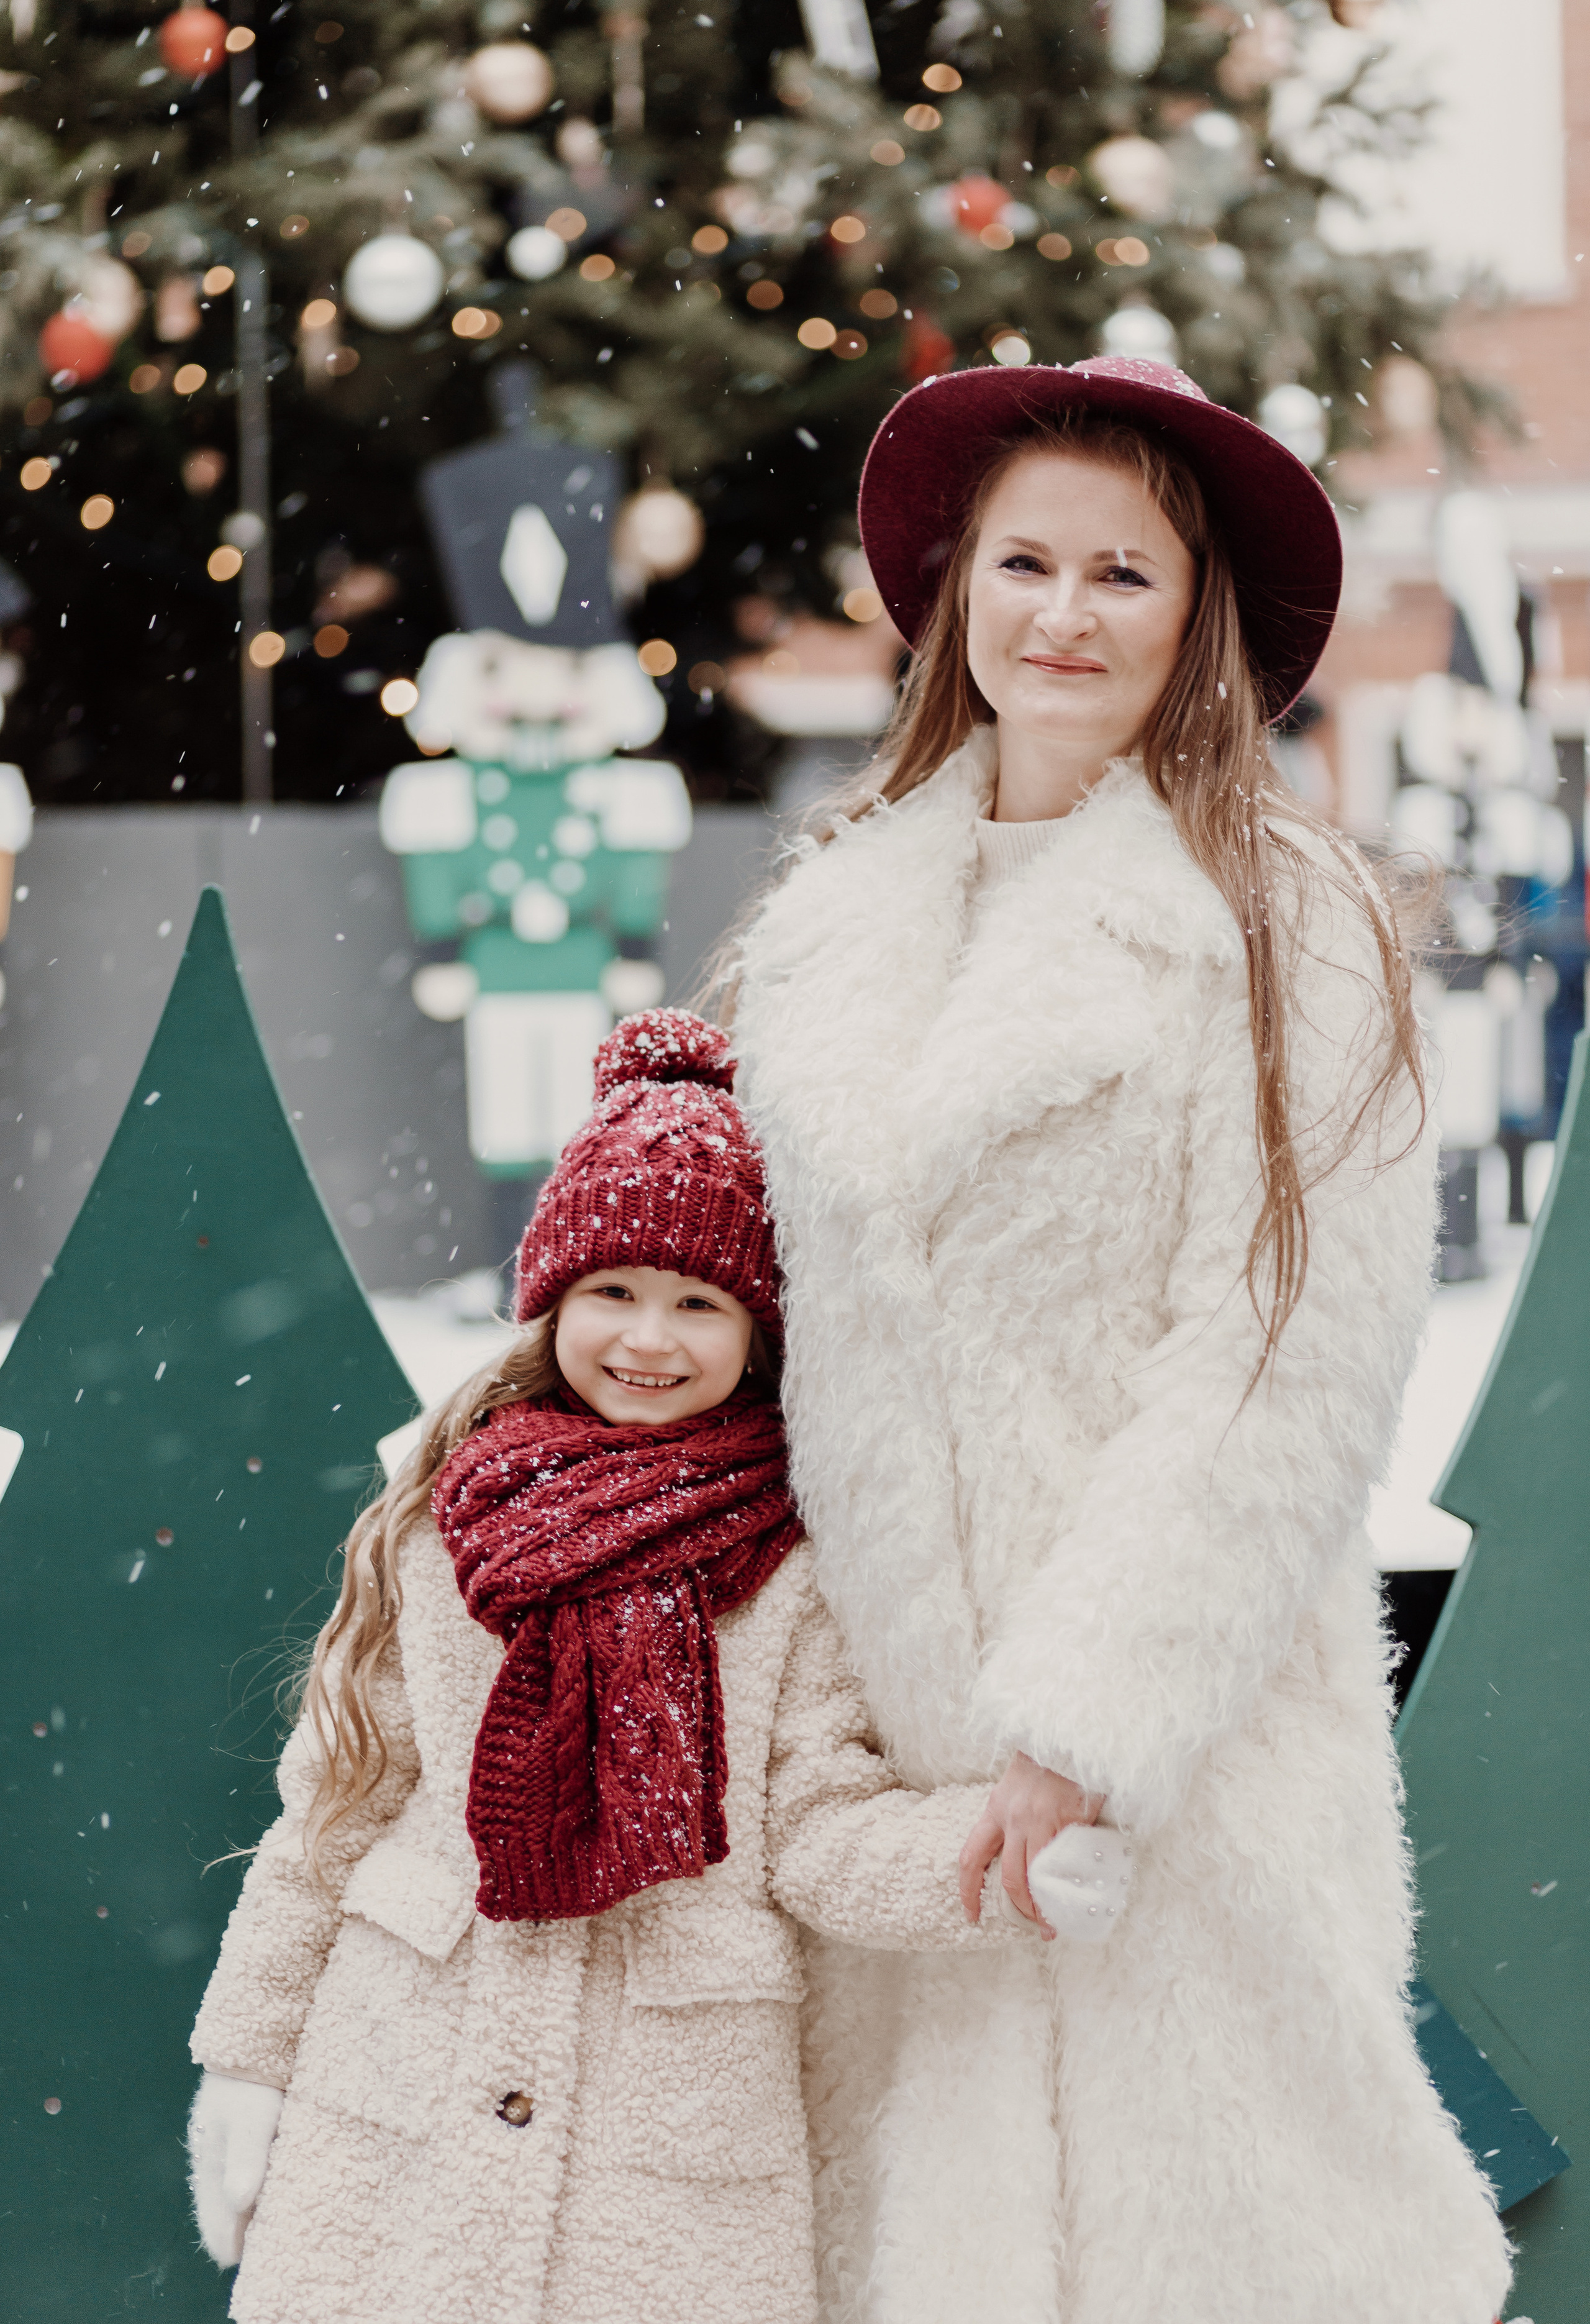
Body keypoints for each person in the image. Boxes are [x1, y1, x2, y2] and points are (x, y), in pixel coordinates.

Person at [728, 358, 1512, 2324]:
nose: (1061, 617)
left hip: (1186, 1744)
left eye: (1121, 576)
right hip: (893, 1776)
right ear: (952, 588)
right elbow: (756, 1323)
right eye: (1023, 563)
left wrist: (1083, 1732)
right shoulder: (826, 926)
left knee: (1215, 2239)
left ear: (1200, 619)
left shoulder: (1287, 928)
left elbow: (1286, 1371)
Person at [184, 1008, 1055, 2324]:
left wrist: (994, 1850)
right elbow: (336, 1802)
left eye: (696, 1301)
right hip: (400, 2095)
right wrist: (248, 2055)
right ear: (551, 1299)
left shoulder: (791, 1562)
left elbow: (814, 1825)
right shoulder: (447, 1512)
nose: (647, 1337)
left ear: (756, 1330)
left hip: (662, 2146)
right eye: (612, 1290)